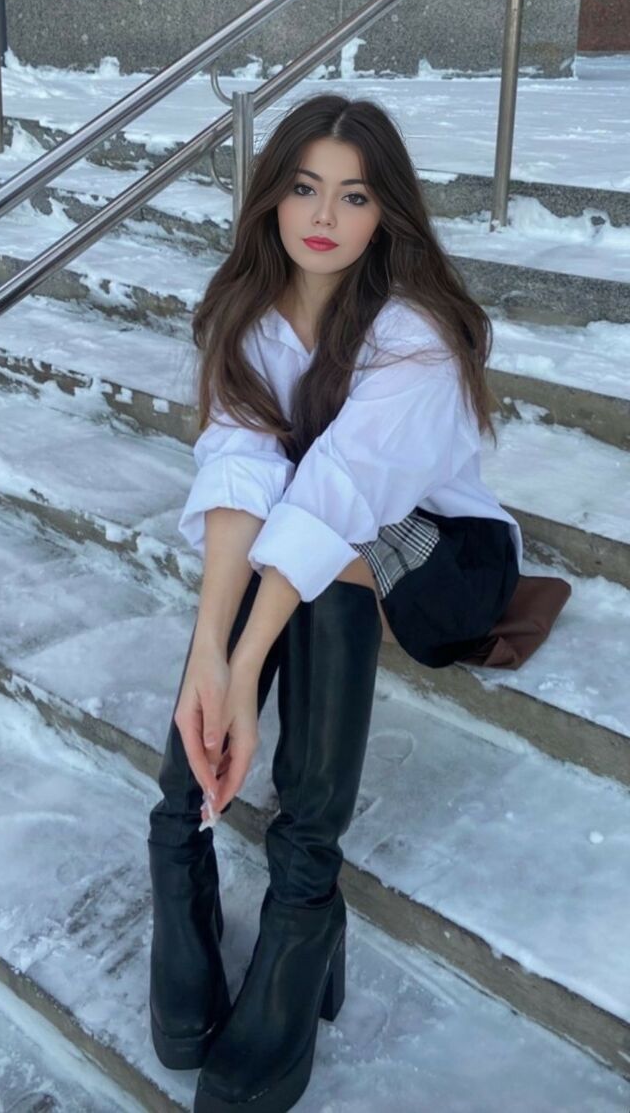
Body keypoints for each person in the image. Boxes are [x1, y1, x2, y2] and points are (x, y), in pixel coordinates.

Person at [146, 92, 523, 1113]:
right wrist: (210, 663)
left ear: (385, 211)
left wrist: (242, 661)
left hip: (442, 558)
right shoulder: (252, 314)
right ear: (271, 195)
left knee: (319, 545)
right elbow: (238, 479)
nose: (323, 216)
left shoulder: (413, 331)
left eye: (354, 196)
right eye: (305, 187)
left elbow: (341, 493)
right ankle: (176, 842)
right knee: (269, 534)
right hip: (324, 535)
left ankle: (304, 894)